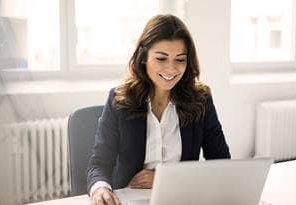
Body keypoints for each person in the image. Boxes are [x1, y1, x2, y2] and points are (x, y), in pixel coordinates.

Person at [87, 14, 231, 205]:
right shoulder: (119, 100)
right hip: (132, 199)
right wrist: (100, 189)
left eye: (180, 60)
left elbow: (221, 164)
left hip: (182, 199)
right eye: (161, 58)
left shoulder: (201, 100)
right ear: (143, 57)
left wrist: (165, 181)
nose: (171, 69)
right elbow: (99, 164)